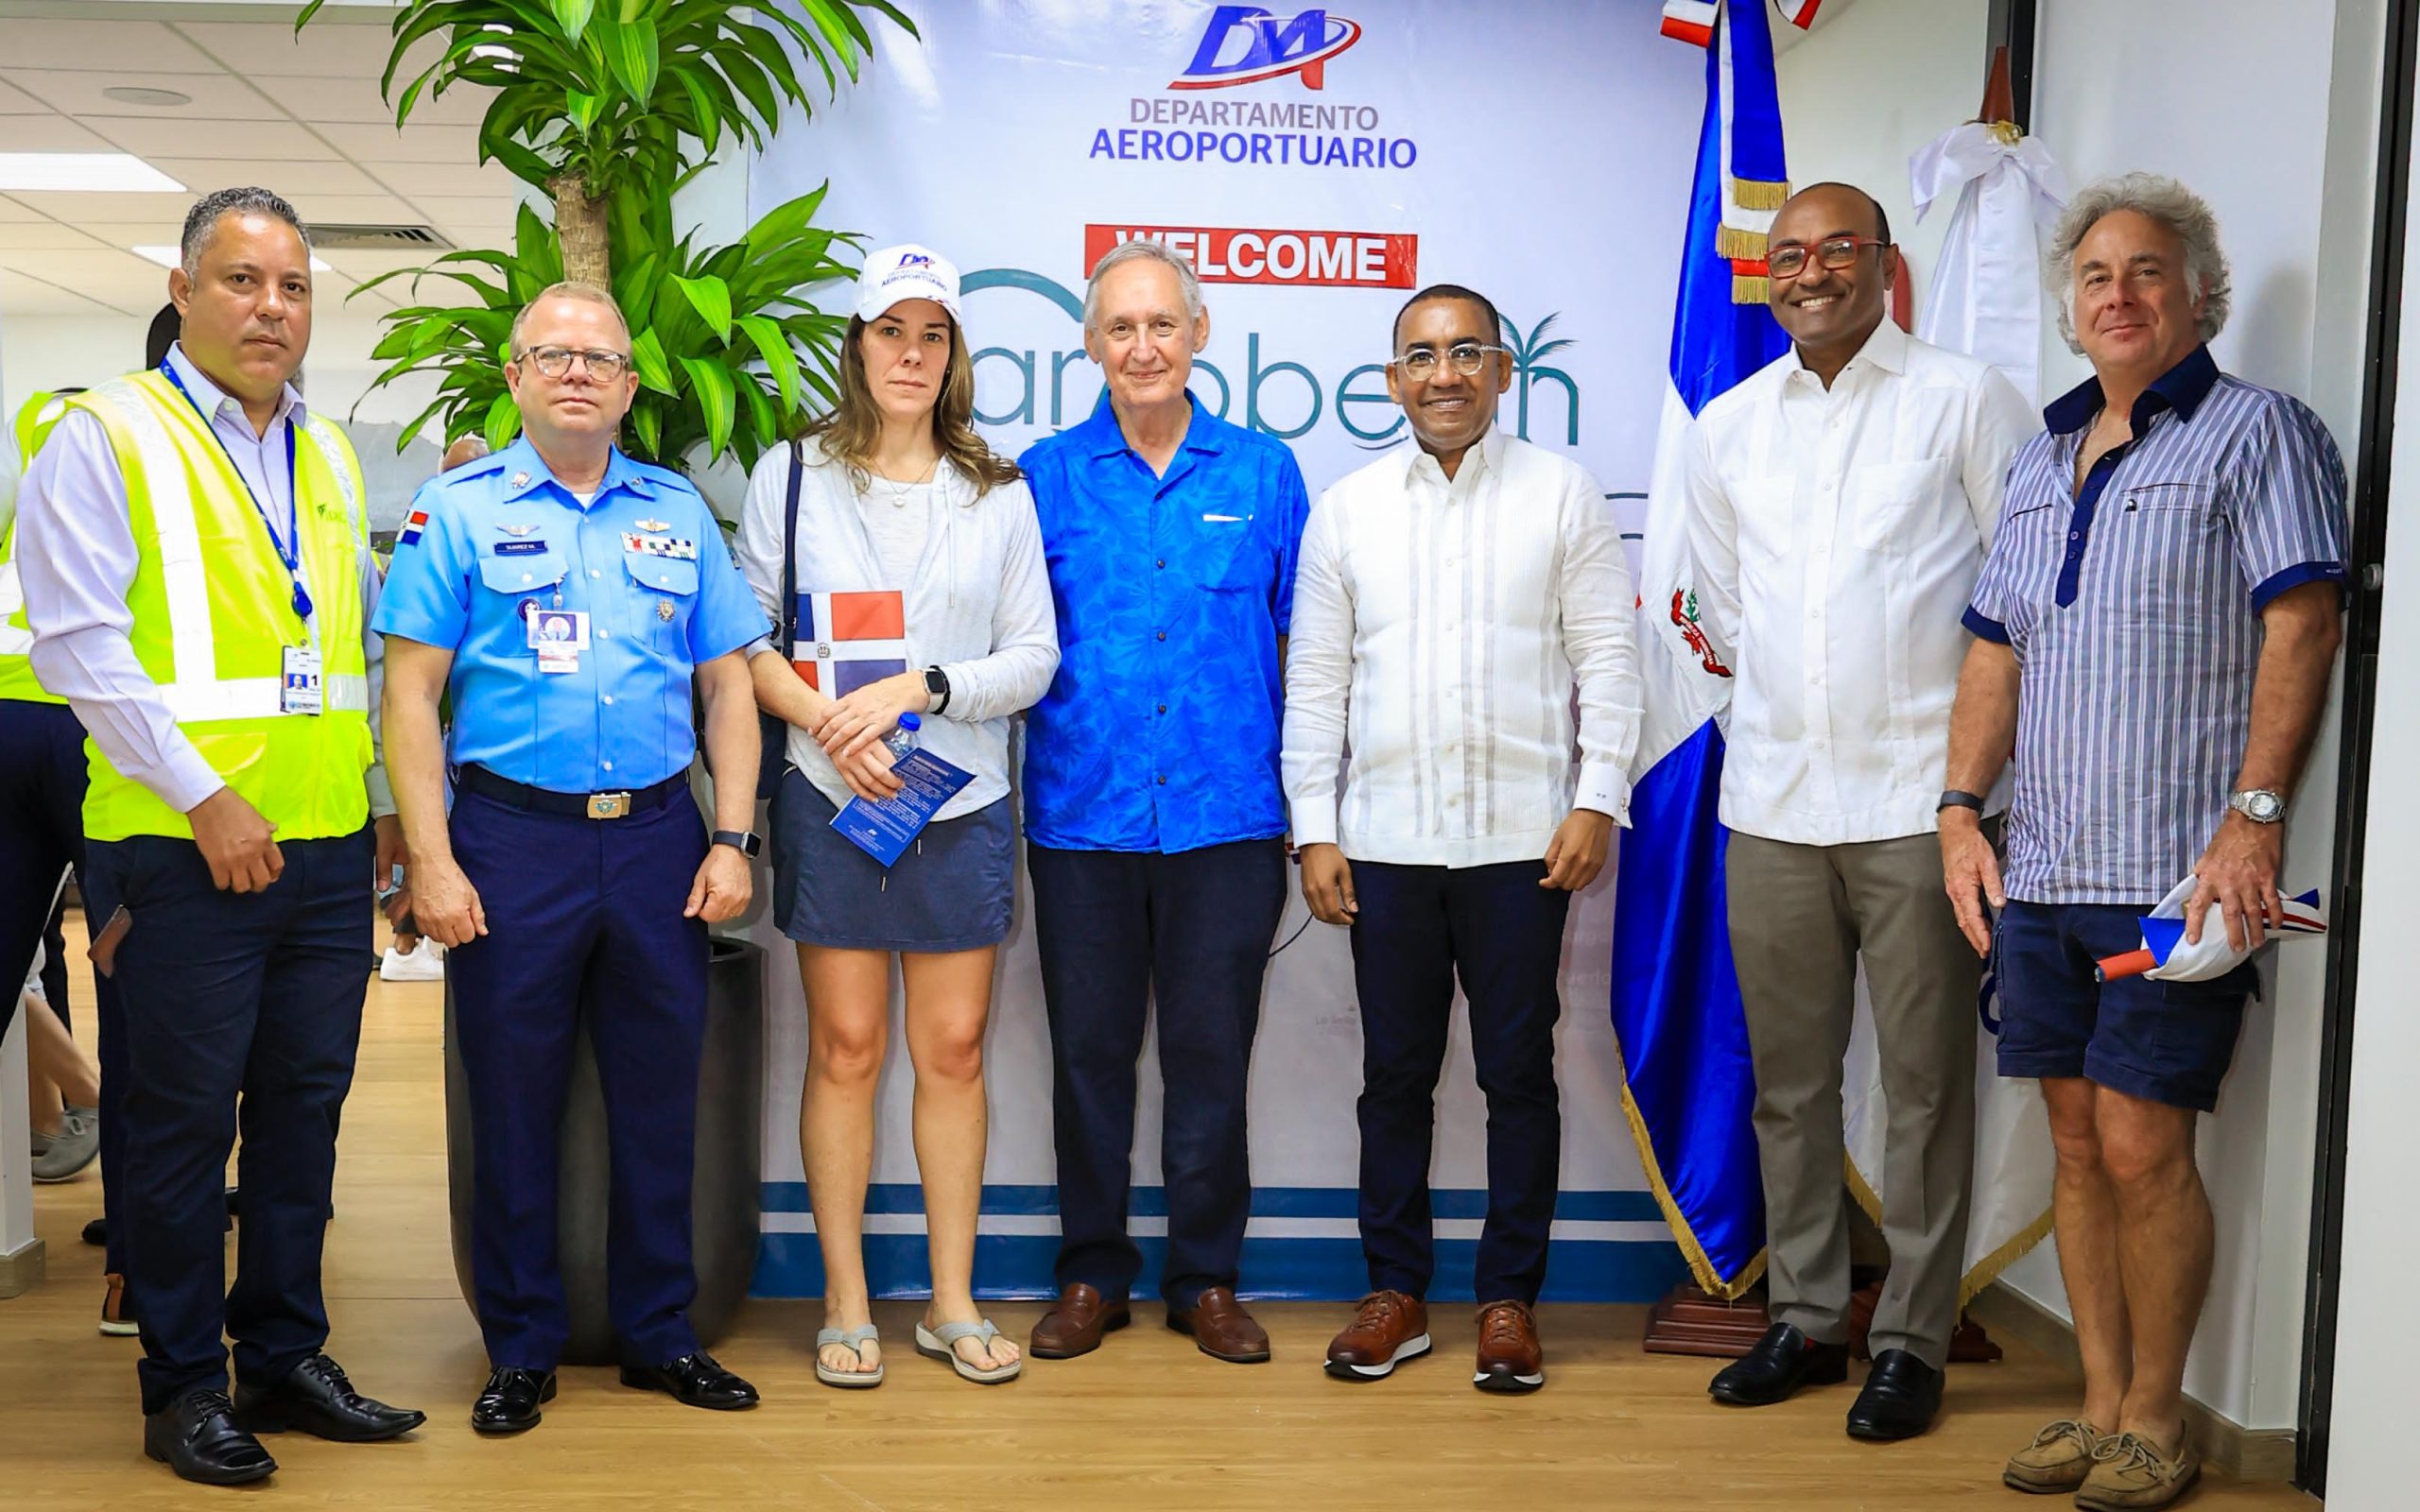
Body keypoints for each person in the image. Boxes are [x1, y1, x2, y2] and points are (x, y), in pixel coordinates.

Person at [1944, 174, 2347, 1509]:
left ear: (2199, 294)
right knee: (2070, 1142)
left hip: (2181, 875)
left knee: (2141, 1148)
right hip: (2042, 866)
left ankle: (2160, 1416)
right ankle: (2098, 1404)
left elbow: (2302, 627)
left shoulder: (2257, 434)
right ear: (2073, 306)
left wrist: (2256, 818)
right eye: (2098, 276)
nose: (2120, 295)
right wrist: (1958, 810)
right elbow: (1995, 653)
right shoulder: (2037, 457)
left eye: (2148, 272)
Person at [14, 186, 424, 1486]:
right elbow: (84, 648)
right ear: (182, 291)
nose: (273, 310)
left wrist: (374, 803)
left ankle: (285, 1355)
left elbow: (333, 646)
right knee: (184, 1125)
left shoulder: (329, 448)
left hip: (317, 849)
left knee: (306, 1114)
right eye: (245, 282)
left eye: (294, 288)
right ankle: (183, 1382)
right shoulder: (104, 435)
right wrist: (204, 796)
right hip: (182, 850)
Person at [1678, 182, 2037, 1441]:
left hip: (1918, 804)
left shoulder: (1964, 399)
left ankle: (1913, 1340)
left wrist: (1976, 788)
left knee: (1927, 1086)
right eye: (1791, 254)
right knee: (1790, 1083)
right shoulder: (1727, 426)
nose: (1814, 270)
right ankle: (1808, 1316)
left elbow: (2020, 594)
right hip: (1773, 801)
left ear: (1885, 264)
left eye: (1839, 248)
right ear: (1764, 277)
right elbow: (1720, 612)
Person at [377, 281, 768, 1435]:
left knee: (660, 1098)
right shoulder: (453, 511)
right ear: (515, 377)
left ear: (630, 385)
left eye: (600, 358)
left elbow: (728, 683)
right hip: (510, 843)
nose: (579, 373)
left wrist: (733, 834)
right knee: (513, 1101)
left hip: (657, 838)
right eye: (553, 355)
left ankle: (660, 1335)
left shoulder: (676, 510)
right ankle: (521, 1348)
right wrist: (434, 862)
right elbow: (408, 695)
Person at [1285, 283, 1641, 1393]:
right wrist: (1313, 826)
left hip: (1519, 844)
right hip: (1384, 840)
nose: (1444, 374)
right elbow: (1318, 681)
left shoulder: (1562, 495)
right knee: (1393, 1079)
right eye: (1421, 356)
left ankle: (1506, 1302)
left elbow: (1609, 663)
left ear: (1502, 369)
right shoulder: (1347, 507)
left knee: (1515, 1078)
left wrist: (1597, 796)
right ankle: (1394, 1293)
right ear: (1392, 379)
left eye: (1466, 352)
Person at [735, 245, 1059, 1387]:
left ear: (954, 353)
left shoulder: (999, 490)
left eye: (931, 335)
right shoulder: (788, 477)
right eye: (890, 331)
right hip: (832, 796)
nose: (910, 354)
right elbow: (748, 642)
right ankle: (844, 1298)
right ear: (857, 344)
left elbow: (1032, 657)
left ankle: (953, 1301)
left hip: (958, 794)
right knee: (848, 1047)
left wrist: (926, 690)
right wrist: (834, 727)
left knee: (954, 1050)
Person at [1015, 238, 1310, 1365]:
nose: (1143, 347)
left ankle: (1206, 1282)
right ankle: (1091, 1274)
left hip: (1225, 817)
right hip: (1080, 816)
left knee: (1208, 1057)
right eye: (1120, 328)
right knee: (1087, 1059)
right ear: (1089, 345)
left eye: (1162, 325)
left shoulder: (1261, 472)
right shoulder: (1044, 475)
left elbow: (1301, 642)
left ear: (1199, 336)